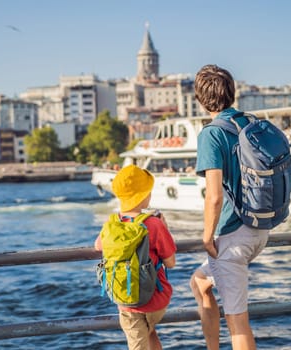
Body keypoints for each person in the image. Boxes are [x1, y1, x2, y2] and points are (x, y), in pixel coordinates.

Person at [190, 64, 269, 350]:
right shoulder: (249, 122)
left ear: (200, 98)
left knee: (238, 322)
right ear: (232, 93)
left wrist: (206, 236)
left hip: (233, 236)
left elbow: (214, 197)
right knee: (199, 283)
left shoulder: (212, 134)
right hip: (259, 228)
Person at [94, 164, 177, 350]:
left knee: (139, 342)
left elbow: (98, 245)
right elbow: (171, 262)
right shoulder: (154, 224)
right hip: (156, 300)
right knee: (148, 333)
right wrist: (165, 228)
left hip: (125, 300)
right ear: (142, 197)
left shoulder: (111, 223)